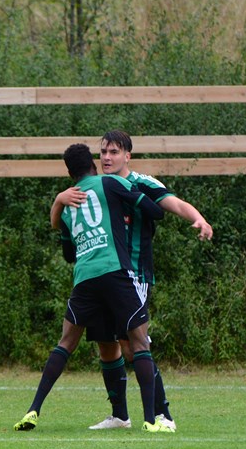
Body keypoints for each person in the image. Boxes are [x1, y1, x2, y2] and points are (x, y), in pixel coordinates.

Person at [51, 130, 213, 431]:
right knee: (106, 346)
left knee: (132, 346)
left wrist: (198, 218)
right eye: (103, 152)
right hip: (104, 276)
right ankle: (119, 416)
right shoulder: (96, 186)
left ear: (128, 155)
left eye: (114, 152)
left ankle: (163, 415)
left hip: (134, 275)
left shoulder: (141, 183)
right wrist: (60, 201)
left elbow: (175, 204)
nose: (107, 157)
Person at [14, 143, 163, 432]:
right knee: (139, 343)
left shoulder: (67, 205)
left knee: (66, 343)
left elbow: (68, 254)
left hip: (85, 279)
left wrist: (59, 205)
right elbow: (154, 211)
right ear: (93, 164)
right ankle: (150, 420)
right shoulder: (110, 183)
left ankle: (33, 410)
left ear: (69, 172)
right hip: (115, 271)